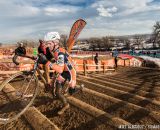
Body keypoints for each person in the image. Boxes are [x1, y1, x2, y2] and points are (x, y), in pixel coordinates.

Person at [38, 32, 77, 115]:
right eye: (46, 43)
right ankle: (65, 99)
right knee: (57, 90)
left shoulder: (59, 53)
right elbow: (58, 63)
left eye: (49, 43)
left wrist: (46, 61)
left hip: (69, 73)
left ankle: (68, 100)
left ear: (55, 43)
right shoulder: (56, 50)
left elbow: (59, 69)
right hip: (65, 70)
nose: (47, 45)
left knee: (63, 92)